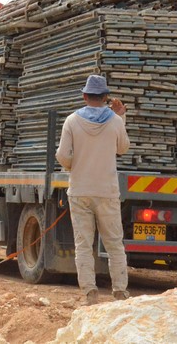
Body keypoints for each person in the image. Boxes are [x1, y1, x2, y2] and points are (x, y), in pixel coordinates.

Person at [56, 74, 131, 306]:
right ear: (106, 97)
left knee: (83, 244)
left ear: (85, 96)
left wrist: (73, 166)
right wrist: (122, 117)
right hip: (107, 191)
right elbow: (123, 148)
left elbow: (61, 155)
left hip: (80, 191)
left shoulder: (71, 120)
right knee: (114, 243)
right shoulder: (116, 121)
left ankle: (90, 292)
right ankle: (119, 290)